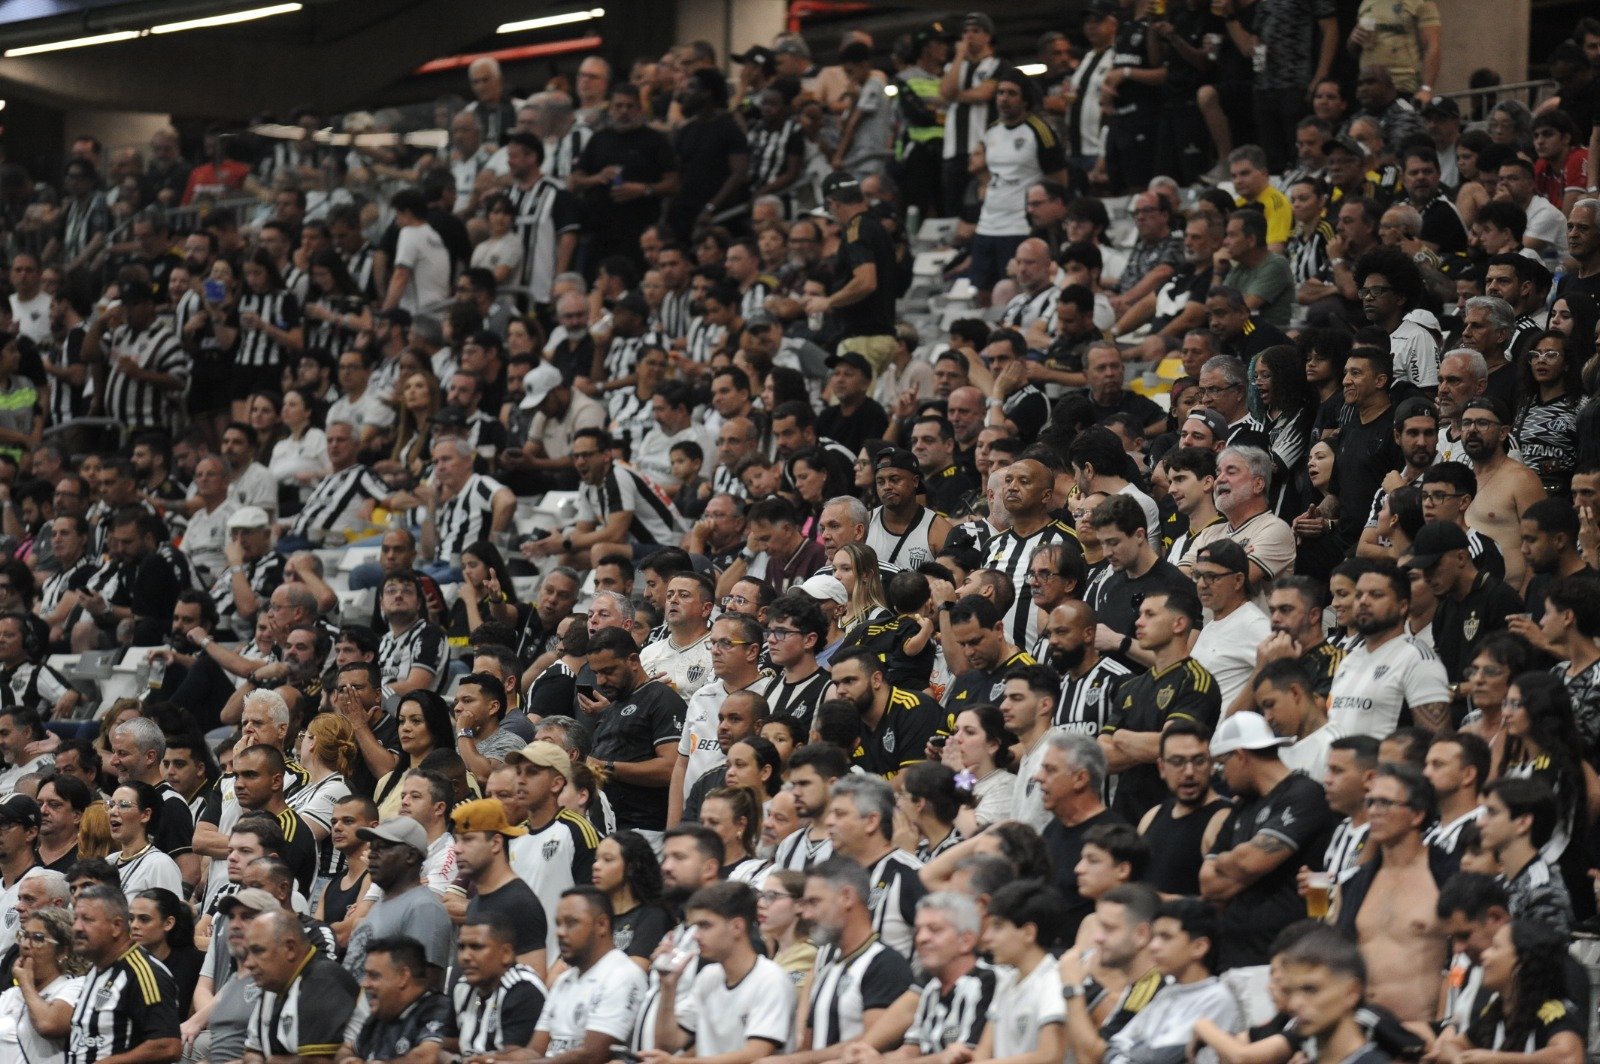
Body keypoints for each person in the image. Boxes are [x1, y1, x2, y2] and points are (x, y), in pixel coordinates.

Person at [1201, 712, 1338, 971]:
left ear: (1240, 756)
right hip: (1234, 955)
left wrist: (1229, 860)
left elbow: (1250, 862)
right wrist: (1241, 861)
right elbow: (1207, 883)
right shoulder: (1243, 806)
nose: (1220, 776)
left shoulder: (1305, 794)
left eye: (1221, 765)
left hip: (1285, 957)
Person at [640, 880, 795, 1064]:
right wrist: (668, 987)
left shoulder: (770, 979)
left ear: (737, 927)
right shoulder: (709, 977)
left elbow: (756, 1055)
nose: (696, 935)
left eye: (705, 926)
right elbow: (668, 1044)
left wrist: (678, 1063)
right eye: (695, 927)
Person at [1101, 589, 1221, 823]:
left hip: (1176, 816)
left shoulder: (1196, 680)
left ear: (1178, 624)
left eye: (1149, 614)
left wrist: (1122, 738)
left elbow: (1173, 747)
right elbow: (1102, 758)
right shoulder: (1130, 686)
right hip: (1125, 818)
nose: (1138, 621)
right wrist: (1153, 747)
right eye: (1140, 614)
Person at [498, 887, 646, 1064]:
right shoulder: (563, 981)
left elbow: (592, 1056)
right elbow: (534, 1052)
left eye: (571, 923)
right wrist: (490, 1060)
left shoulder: (622, 975)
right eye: (558, 923)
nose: (560, 932)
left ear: (602, 925)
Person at [792, 857, 915, 1059]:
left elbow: (869, 1044)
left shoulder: (885, 964)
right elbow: (807, 1044)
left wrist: (786, 1061)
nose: (807, 914)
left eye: (815, 902)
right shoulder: (829, 969)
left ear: (847, 897)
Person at [1102, 899, 1242, 1064]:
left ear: (1199, 947)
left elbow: (1164, 1058)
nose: (1153, 946)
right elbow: (1115, 1045)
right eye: (1154, 937)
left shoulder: (1217, 998)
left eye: (1165, 937)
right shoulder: (1166, 992)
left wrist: (1134, 1053)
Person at [1324, 560, 1452, 737]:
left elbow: (1437, 740)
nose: (1363, 602)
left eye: (1376, 595)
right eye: (1359, 595)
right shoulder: (1349, 660)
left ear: (1402, 606)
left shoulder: (1418, 659)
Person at [66, 885, 181, 1064]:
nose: (77, 928)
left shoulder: (144, 973)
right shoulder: (96, 970)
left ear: (117, 926)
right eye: (75, 919)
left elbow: (168, 1046)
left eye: (87, 920)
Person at [341, 817, 456, 982]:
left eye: (381, 848)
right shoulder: (382, 904)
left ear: (410, 855)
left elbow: (424, 986)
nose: (372, 855)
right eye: (372, 848)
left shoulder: (424, 908)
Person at [240, 908, 359, 1064]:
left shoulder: (323, 979)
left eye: (258, 951)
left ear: (290, 948)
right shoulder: (273, 984)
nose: (248, 963)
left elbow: (319, 1062)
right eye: (247, 953)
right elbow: (253, 1051)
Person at [447, 798, 546, 974]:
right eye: (456, 840)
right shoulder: (478, 902)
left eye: (468, 839)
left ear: (496, 843)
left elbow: (532, 986)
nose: (457, 849)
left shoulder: (520, 904)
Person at [974, 879, 1067, 1064]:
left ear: (1028, 933)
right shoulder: (1007, 981)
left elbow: (1050, 1056)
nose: (986, 937)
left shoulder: (1054, 981)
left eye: (998, 927)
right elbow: (983, 1052)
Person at [1137, 723, 1232, 897]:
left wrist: (1157, 902)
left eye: (1199, 761)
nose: (1189, 772)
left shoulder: (1224, 819)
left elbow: (1224, 902)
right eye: (1177, 761)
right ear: (1162, 768)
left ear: (1212, 764)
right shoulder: (1151, 816)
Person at [342, 936, 453, 1064]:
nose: (364, 983)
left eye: (374, 976)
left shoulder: (438, 1009)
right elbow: (348, 1048)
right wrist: (348, 1059)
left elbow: (427, 1057)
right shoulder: (382, 1013)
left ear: (403, 977)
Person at [0, 905, 86, 1064]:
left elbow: (48, 1025)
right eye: (24, 936)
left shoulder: (76, 987)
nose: (25, 944)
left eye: (38, 938)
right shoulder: (10, 995)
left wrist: (25, 982)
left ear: (62, 951)